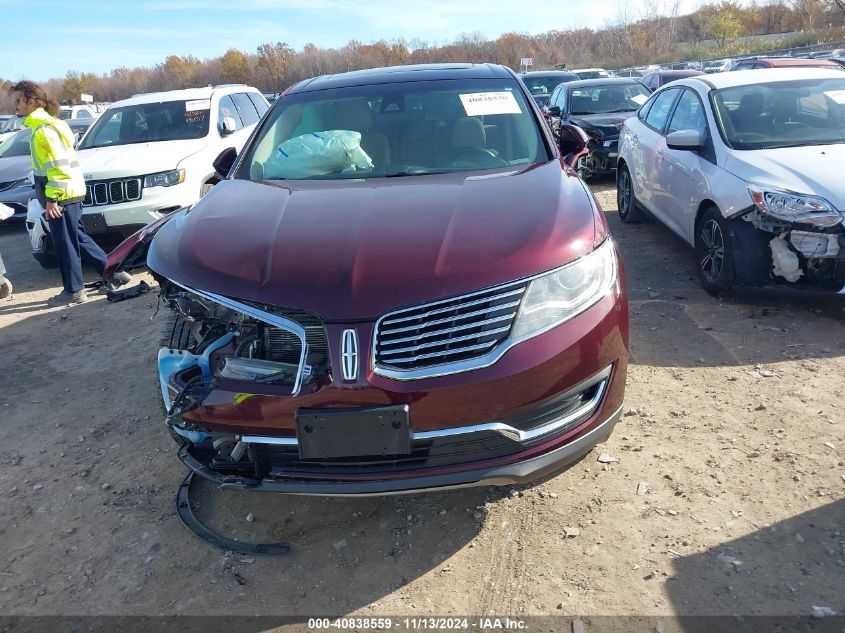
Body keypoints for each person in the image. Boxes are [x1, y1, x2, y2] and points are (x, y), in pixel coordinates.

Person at [10, 81, 130, 307]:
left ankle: (74, 290)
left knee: (64, 243)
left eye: (19, 101)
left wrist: (52, 199)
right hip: (70, 191)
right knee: (77, 237)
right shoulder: (53, 125)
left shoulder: (43, 131)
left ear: (32, 102)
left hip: (61, 195)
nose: (16, 106)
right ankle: (113, 272)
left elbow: (57, 167)